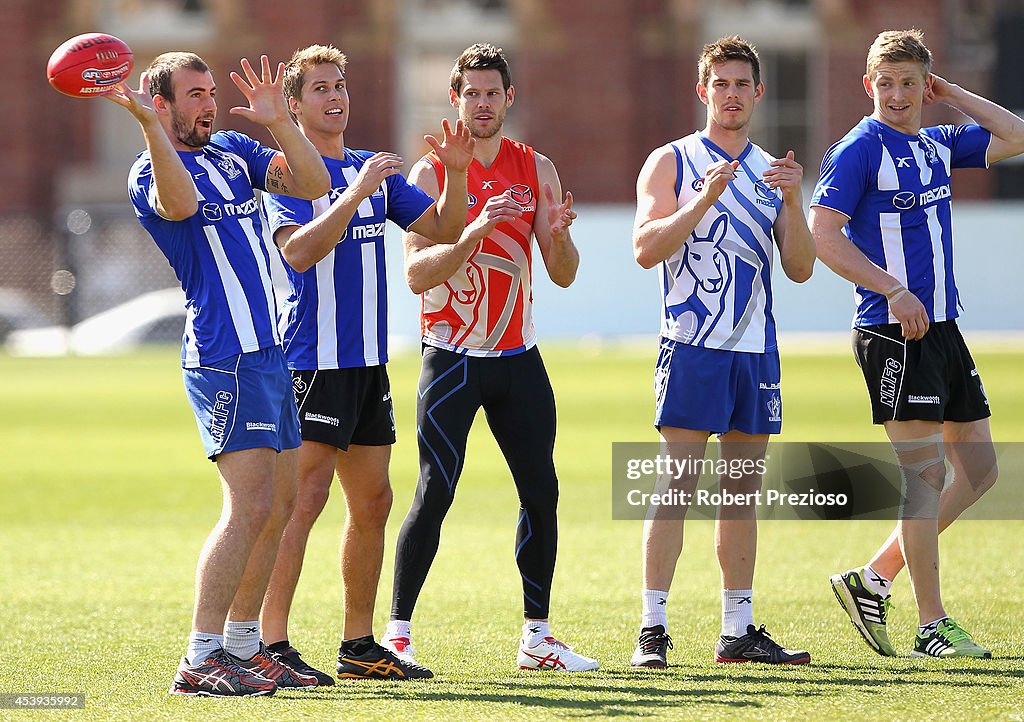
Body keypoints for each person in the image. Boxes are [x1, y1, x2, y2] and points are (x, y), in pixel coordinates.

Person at [108, 52, 330, 697]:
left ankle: (242, 647)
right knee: (250, 505)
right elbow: (179, 208)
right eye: (194, 95)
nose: (208, 104)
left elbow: (313, 184)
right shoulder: (151, 169)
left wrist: (280, 124)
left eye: (209, 92)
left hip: (271, 350)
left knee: (282, 506)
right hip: (225, 356)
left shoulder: (233, 149)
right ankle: (199, 656)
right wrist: (150, 128)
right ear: (163, 103)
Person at [259, 44, 474, 682]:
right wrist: (353, 193)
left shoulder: (367, 167)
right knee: (301, 501)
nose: (336, 97)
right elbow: (299, 252)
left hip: (366, 363)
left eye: (341, 85)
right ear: (294, 105)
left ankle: (358, 645)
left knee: (374, 499)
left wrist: (456, 172)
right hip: (309, 360)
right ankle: (271, 643)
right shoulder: (289, 174)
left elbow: (443, 226)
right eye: (321, 88)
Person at [382, 42, 599, 673]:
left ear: (510, 98)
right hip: (452, 357)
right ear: (455, 99)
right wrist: (474, 230)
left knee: (542, 492)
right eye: (470, 93)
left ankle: (538, 636)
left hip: (518, 358)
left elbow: (562, 274)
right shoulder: (429, 173)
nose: (482, 103)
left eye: (491, 93)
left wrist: (559, 236)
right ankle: (398, 631)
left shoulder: (536, 168)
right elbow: (418, 275)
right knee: (435, 490)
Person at [810, 29, 1021, 659]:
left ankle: (872, 578)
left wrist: (951, 93)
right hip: (892, 331)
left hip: (944, 329)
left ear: (923, 88)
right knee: (926, 478)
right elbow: (824, 237)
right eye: (887, 82)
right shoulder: (856, 151)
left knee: (980, 470)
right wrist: (893, 290)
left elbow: (1016, 135)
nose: (897, 95)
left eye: (911, 83)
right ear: (867, 84)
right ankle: (932, 622)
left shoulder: (935, 142)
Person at [630, 36, 815, 668]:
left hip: (754, 349)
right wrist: (703, 200)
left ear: (758, 93)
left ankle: (738, 628)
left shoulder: (772, 169)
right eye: (721, 84)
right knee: (675, 486)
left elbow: (799, 269)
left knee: (741, 492)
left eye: (743, 85)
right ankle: (651, 629)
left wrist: (793, 200)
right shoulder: (672, 162)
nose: (731, 95)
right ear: (702, 90)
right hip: (692, 345)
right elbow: (645, 247)